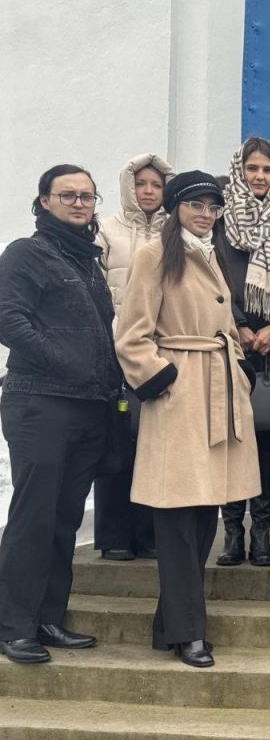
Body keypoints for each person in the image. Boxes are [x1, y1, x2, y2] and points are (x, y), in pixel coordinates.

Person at [116, 170, 259, 667]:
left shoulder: (210, 254)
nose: (205, 213)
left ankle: (171, 626)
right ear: (175, 207)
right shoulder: (154, 254)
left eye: (213, 206)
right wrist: (162, 379)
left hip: (219, 393)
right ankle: (189, 632)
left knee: (202, 517)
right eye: (196, 204)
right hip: (179, 397)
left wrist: (239, 366)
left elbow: (225, 324)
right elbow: (131, 334)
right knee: (176, 518)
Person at [0, 165, 120, 664]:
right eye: (67, 195)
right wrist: (65, 362)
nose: (78, 203)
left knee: (64, 518)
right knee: (34, 514)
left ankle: (48, 618)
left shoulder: (88, 261)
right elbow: (9, 320)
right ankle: (13, 626)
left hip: (89, 406)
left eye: (87, 196)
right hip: (40, 401)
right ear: (44, 201)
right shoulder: (26, 253)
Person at [214, 136, 270, 568]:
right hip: (230, 344)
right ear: (239, 171)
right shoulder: (219, 220)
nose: (259, 177)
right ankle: (232, 532)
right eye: (252, 169)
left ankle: (261, 533)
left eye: (266, 169)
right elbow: (213, 277)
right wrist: (241, 324)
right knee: (232, 439)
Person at [93, 153, 174, 562]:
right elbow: (95, 289)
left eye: (156, 185)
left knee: (152, 445)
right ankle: (114, 536)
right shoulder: (107, 230)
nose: (148, 191)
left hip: (157, 356)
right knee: (116, 446)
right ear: (129, 186)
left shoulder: (173, 234)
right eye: (141, 183)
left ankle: (147, 534)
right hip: (114, 353)